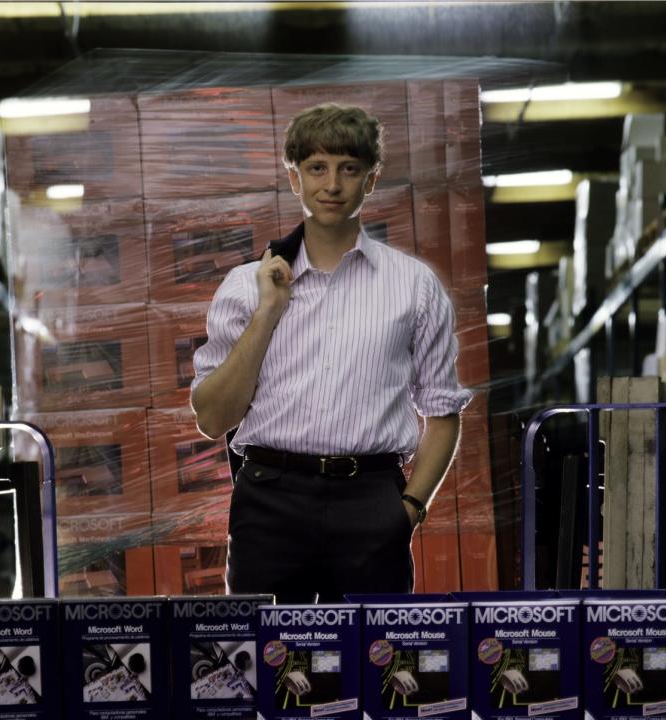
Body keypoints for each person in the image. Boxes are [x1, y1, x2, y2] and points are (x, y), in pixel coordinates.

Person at [190, 102, 471, 603]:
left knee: (376, 664)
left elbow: (443, 414)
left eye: (349, 169)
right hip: (269, 500)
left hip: (372, 500)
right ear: (294, 178)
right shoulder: (244, 288)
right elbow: (213, 417)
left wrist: (407, 510)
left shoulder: (414, 287)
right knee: (270, 664)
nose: (332, 185)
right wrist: (268, 311)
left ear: (372, 179)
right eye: (316, 168)